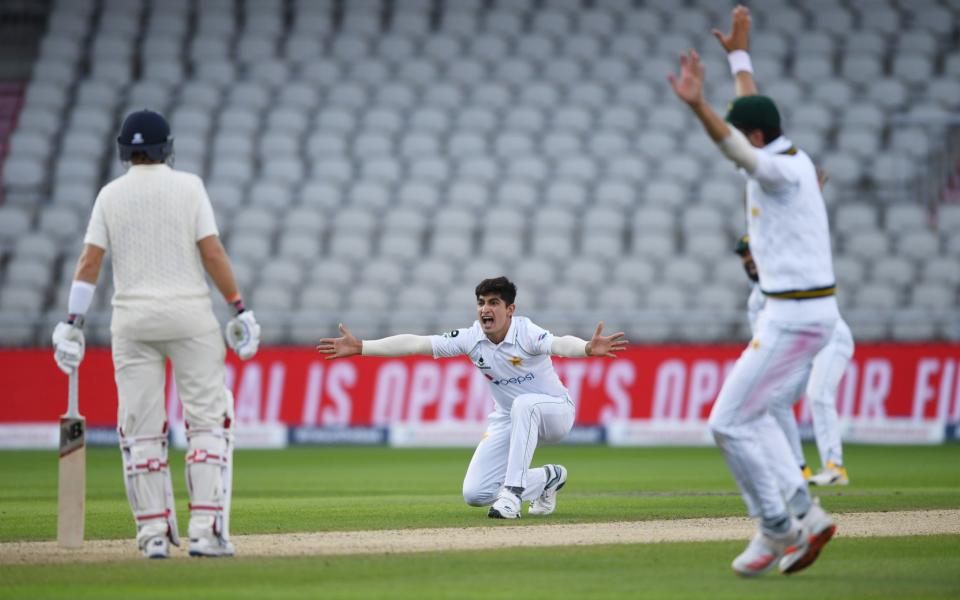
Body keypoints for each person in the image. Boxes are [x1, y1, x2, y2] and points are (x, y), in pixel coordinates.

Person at [668, 5, 839, 576]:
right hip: (797, 314)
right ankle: (802, 517)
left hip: (794, 315)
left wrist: (699, 107)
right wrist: (739, 57)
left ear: (758, 137)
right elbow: (753, 113)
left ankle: (776, 527)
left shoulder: (778, 168)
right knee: (758, 414)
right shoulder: (787, 153)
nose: (741, 141)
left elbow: (738, 146)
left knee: (728, 421)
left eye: (746, 132)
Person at [51, 109, 261, 559]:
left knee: (141, 430)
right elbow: (212, 252)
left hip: (132, 322)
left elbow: (89, 263)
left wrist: (72, 323)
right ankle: (205, 531)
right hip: (190, 319)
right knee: (208, 422)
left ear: (124, 152)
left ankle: (152, 536)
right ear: (168, 148)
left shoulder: (110, 195)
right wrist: (238, 307)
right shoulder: (190, 187)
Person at [317, 276, 626, 519]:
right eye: (481, 303)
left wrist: (586, 348)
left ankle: (512, 496)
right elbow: (416, 343)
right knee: (475, 493)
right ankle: (548, 477)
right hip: (508, 417)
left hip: (555, 412)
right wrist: (362, 348)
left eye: (493, 302)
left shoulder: (526, 331)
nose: (485, 309)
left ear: (510, 310)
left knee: (525, 404)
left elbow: (560, 344)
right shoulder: (471, 338)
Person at [734, 235, 854, 486]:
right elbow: (764, 343)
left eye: (752, 253)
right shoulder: (756, 300)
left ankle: (835, 467)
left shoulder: (786, 277)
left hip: (830, 337)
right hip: (803, 351)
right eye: (744, 256)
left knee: (818, 393)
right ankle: (798, 469)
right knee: (777, 400)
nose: (748, 260)